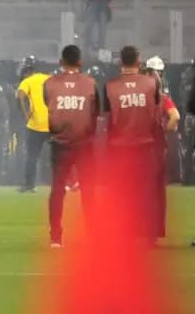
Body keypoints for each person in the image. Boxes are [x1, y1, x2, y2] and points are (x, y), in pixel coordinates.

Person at [102, 45, 162, 241]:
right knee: (146, 192)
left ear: (120, 62)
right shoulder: (152, 84)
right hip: (145, 145)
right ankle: (150, 235)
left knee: (121, 193)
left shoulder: (110, 86)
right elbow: (156, 114)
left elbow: (107, 118)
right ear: (139, 62)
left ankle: (123, 233)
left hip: (119, 147)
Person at [44, 44, 100, 248]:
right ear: (80, 63)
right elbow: (95, 113)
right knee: (89, 191)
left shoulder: (50, 83)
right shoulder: (90, 83)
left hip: (60, 143)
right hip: (84, 144)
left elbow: (48, 104)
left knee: (58, 190)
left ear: (61, 62)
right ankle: (93, 235)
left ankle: (56, 237)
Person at [145, 56, 179, 240]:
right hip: (158, 146)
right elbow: (175, 117)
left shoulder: (145, 92)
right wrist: (165, 130)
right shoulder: (162, 93)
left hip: (144, 146)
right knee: (157, 191)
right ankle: (154, 230)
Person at [16, 56, 51, 193]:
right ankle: (69, 182)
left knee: (32, 157)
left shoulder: (27, 81)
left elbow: (20, 96)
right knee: (61, 156)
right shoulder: (49, 78)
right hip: (53, 123)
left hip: (35, 124)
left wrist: (26, 114)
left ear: (26, 71)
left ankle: (29, 185)